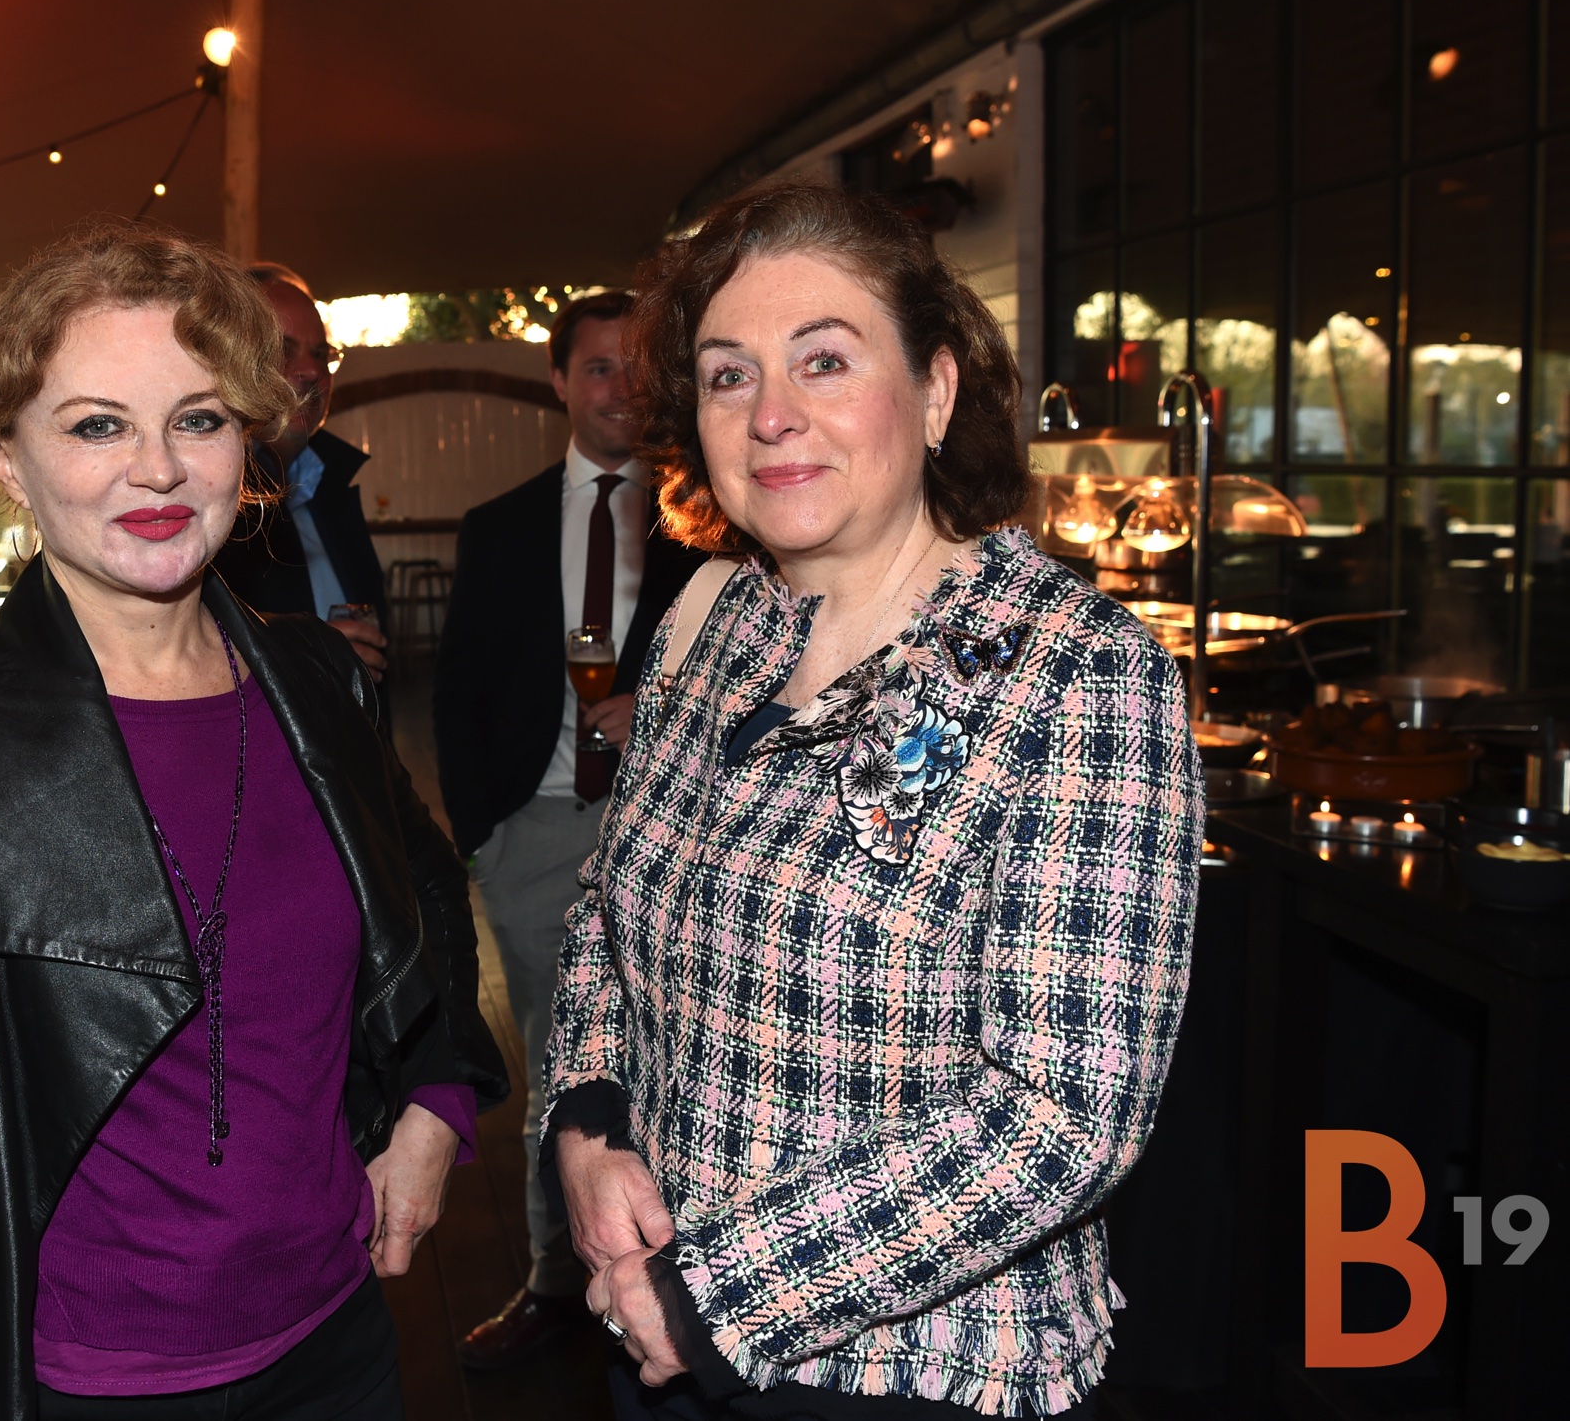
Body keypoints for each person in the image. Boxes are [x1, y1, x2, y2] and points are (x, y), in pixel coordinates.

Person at [0, 221, 507, 1421]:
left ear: (247, 442)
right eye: (96, 425)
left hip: (336, 1344)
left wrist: (437, 1101)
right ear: (8, 459)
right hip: (61, 1379)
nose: (157, 471)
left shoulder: (315, 684)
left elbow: (427, 895)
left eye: (197, 419)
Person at [544, 183, 1202, 1419]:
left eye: (824, 360)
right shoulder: (706, 618)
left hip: (910, 1371)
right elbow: (603, 912)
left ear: (935, 391)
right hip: (644, 1317)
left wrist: (714, 1296)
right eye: (728, 375)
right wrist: (585, 1128)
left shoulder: (1076, 669)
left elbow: (1061, 1119)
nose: (770, 415)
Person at [434, 291, 705, 1367]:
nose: (620, 388)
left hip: (674, 831)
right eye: (597, 367)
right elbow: (456, 693)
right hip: (537, 829)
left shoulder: (716, 520)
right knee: (561, 1067)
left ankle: (676, 1283)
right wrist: (482, 833)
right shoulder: (498, 526)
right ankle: (558, 1286)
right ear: (558, 382)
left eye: (638, 366)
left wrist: (666, 710)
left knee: (678, 1058)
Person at [211, 262, 390, 680]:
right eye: (282, 349)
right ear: (225, 360)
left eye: (321, 354)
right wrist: (305, 653)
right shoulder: (201, 494)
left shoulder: (330, 484)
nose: (311, 371)